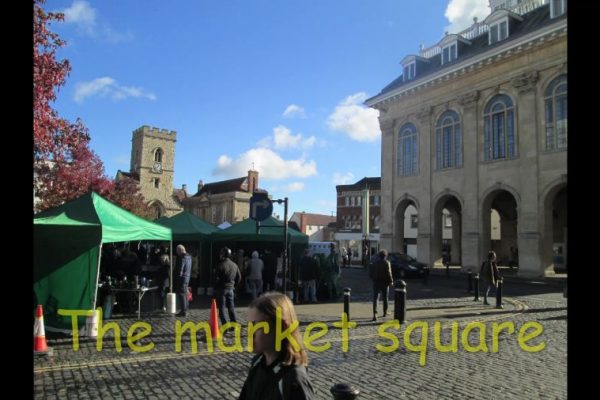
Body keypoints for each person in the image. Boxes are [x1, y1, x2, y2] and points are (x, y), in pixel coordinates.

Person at [239, 292, 315, 400]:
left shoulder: (293, 379)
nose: (250, 333)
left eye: (258, 326)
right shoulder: (258, 362)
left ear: (281, 328)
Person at [214, 246, 242, 326]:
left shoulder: (220, 265)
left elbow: (216, 278)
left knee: (222, 307)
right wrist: (234, 285)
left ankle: (225, 325)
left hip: (222, 289)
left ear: (222, 255)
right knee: (231, 307)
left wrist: (216, 286)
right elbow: (239, 277)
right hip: (231, 289)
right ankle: (234, 324)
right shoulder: (234, 265)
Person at [369, 249, 394, 321]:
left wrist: (372, 278)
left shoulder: (375, 263)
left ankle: (375, 314)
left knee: (375, 298)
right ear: (385, 256)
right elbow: (389, 273)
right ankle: (385, 312)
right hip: (385, 282)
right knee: (385, 298)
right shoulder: (387, 262)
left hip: (376, 282)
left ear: (379, 256)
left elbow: (371, 272)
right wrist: (391, 281)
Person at [175, 244, 192, 317]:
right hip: (187, 277)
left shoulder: (183, 258)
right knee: (185, 293)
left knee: (182, 294)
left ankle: (183, 311)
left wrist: (178, 277)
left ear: (180, 250)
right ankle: (186, 309)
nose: (177, 253)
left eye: (177, 251)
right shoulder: (189, 257)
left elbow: (180, 270)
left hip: (182, 278)